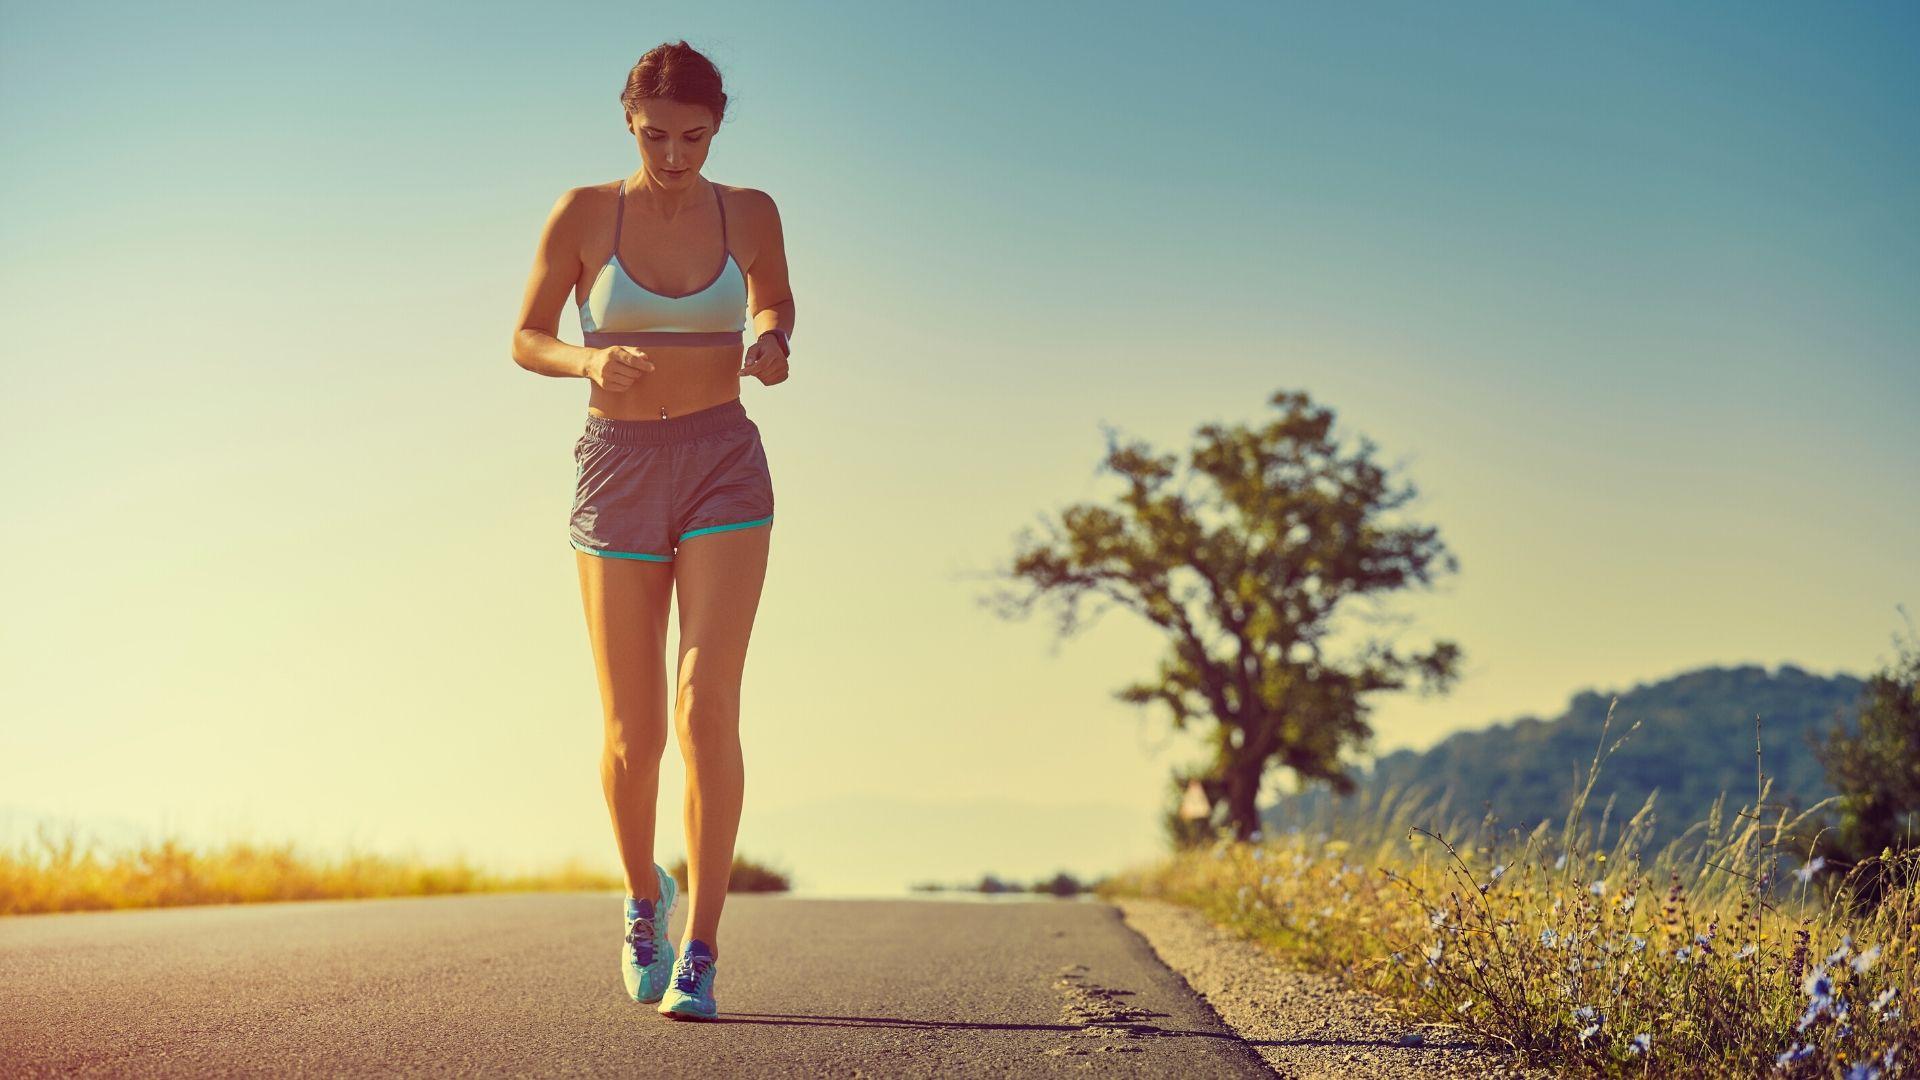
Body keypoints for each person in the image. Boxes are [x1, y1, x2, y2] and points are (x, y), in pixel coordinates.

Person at [509, 40, 793, 1022]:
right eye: (658, 136)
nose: (677, 155)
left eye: (696, 137)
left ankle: (704, 950)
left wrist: (769, 340)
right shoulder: (586, 214)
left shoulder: (749, 212)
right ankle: (644, 900)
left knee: (705, 706)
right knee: (633, 736)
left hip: (724, 464)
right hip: (618, 471)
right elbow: (527, 335)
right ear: (629, 122)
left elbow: (774, 295)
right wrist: (587, 367)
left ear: (719, 128)